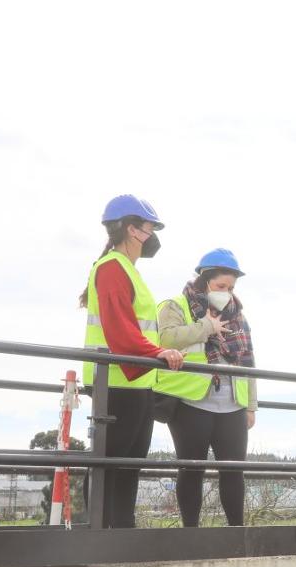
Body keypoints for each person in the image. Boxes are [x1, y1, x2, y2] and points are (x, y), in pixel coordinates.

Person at [78, 195, 184, 528]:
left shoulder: (128, 270)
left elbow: (133, 327)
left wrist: (154, 356)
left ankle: (122, 530)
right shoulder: (111, 267)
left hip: (136, 381)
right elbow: (118, 327)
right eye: (150, 227)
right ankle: (99, 532)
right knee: (110, 462)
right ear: (130, 229)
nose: (153, 234)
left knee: (129, 463)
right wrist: (157, 353)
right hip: (115, 381)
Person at [155, 248, 258, 527]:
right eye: (220, 286)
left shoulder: (238, 316)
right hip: (191, 402)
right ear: (204, 280)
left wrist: (250, 405)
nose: (227, 292)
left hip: (232, 404)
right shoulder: (176, 305)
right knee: (191, 470)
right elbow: (165, 338)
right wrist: (206, 327)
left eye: (231, 287)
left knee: (234, 471)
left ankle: (237, 532)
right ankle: (191, 533)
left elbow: (248, 362)